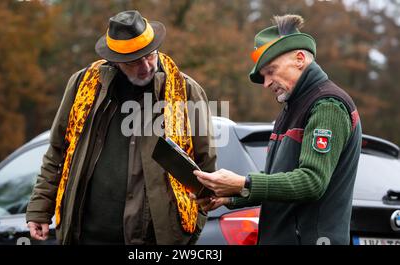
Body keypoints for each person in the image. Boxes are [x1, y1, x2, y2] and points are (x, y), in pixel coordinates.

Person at [26, 10, 216, 245]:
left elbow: (205, 166)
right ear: (115, 61)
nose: (146, 66)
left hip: (153, 241)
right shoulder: (82, 86)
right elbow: (57, 151)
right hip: (84, 235)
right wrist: (39, 208)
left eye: (150, 55)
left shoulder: (185, 90)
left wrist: (191, 227)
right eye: (135, 61)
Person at [193, 14, 362, 245]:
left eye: (270, 71)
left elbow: (312, 182)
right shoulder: (293, 106)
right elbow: (276, 181)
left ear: (299, 59)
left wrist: (243, 184)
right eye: (263, 76)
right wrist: (229, 197)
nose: (266, 83)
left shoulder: (327, 105)